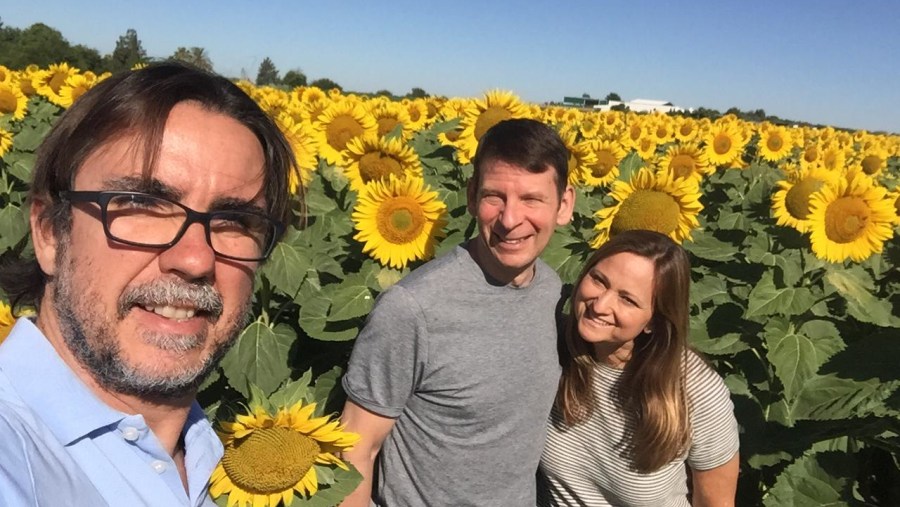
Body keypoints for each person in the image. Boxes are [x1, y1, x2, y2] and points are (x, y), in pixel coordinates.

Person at [0, 63, 295, 507]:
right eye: (143, 204)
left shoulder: (216, 457)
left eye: (235, 220)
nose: (196, 259)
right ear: (49, 235)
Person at [340, 118, 576, 506]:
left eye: (531, 199)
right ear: (471, 197)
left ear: (564, 204)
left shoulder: (557, 295)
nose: (510, 219)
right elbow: (355, 447)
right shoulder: (414, 308)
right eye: (494, 196)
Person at [537, 230, 740, 506]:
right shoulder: (551, 346)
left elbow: (715, 502)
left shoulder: (693, 388)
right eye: (598, 280)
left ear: (653, 322)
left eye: (627, 299)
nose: (601, 305)